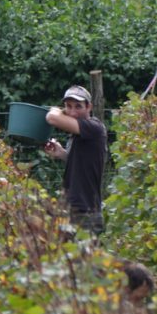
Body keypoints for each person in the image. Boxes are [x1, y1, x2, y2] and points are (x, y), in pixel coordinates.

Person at [44, 85, 107, 235]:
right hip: (72, 210)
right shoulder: (77, 135)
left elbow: (52, 117)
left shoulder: (94, 127)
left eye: (78, 106)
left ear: (89, 107)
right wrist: (63, 154)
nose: (72, 112)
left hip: (86, 213)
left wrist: (57, 110)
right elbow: (85, 163)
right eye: (68, 106)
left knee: (84, 258)